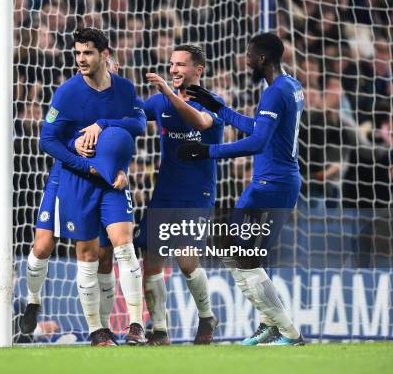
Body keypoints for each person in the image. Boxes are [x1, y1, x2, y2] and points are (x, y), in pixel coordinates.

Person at [179, 32, 305, 346]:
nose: (245, 60)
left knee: (238, 253)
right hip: (284, 182)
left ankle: (288, 331)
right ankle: (270, 326)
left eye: (249, 55)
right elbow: (258, 128)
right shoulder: (291, 86)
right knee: (253, 256)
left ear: (262, 58)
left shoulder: (275, 92)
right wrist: (218, 107)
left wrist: (207, 152)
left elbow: (258, 141)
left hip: (268, 184)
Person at [39, 28, 146, 346]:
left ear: (104, 54)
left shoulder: (124, 88)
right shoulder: (67, 92)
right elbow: (47, 140)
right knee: (88, 254)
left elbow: (138, 124)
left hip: (114, 181)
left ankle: (136, 326)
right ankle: (97, 329)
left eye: (87, 52)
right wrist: (85, 164)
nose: (81, 59)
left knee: (123, 247)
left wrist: (103, 124)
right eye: (77, 53)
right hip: (79, 180)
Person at [21, 50, 126, 341]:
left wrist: (121, 169)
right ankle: (33, 299)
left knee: (100, 255)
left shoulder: (122, 101)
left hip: (102, 180)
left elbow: (126, 140)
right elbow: (50, 137)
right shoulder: (70, 94)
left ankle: (100, 328)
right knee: (42, 245)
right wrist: (74, 144)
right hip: (66, 175)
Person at [138, 44, 222, 345]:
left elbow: (199, 121)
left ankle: (206, 317)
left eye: (181, 65)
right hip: (165, 192)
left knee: (187, 260)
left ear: (198, 70)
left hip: (196, 192)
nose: (173, 70)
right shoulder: (160, 101)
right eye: (171, 64)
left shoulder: (213, 102)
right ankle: (159, 330)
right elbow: (131, 112)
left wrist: (167, 94)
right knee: (152, 263)